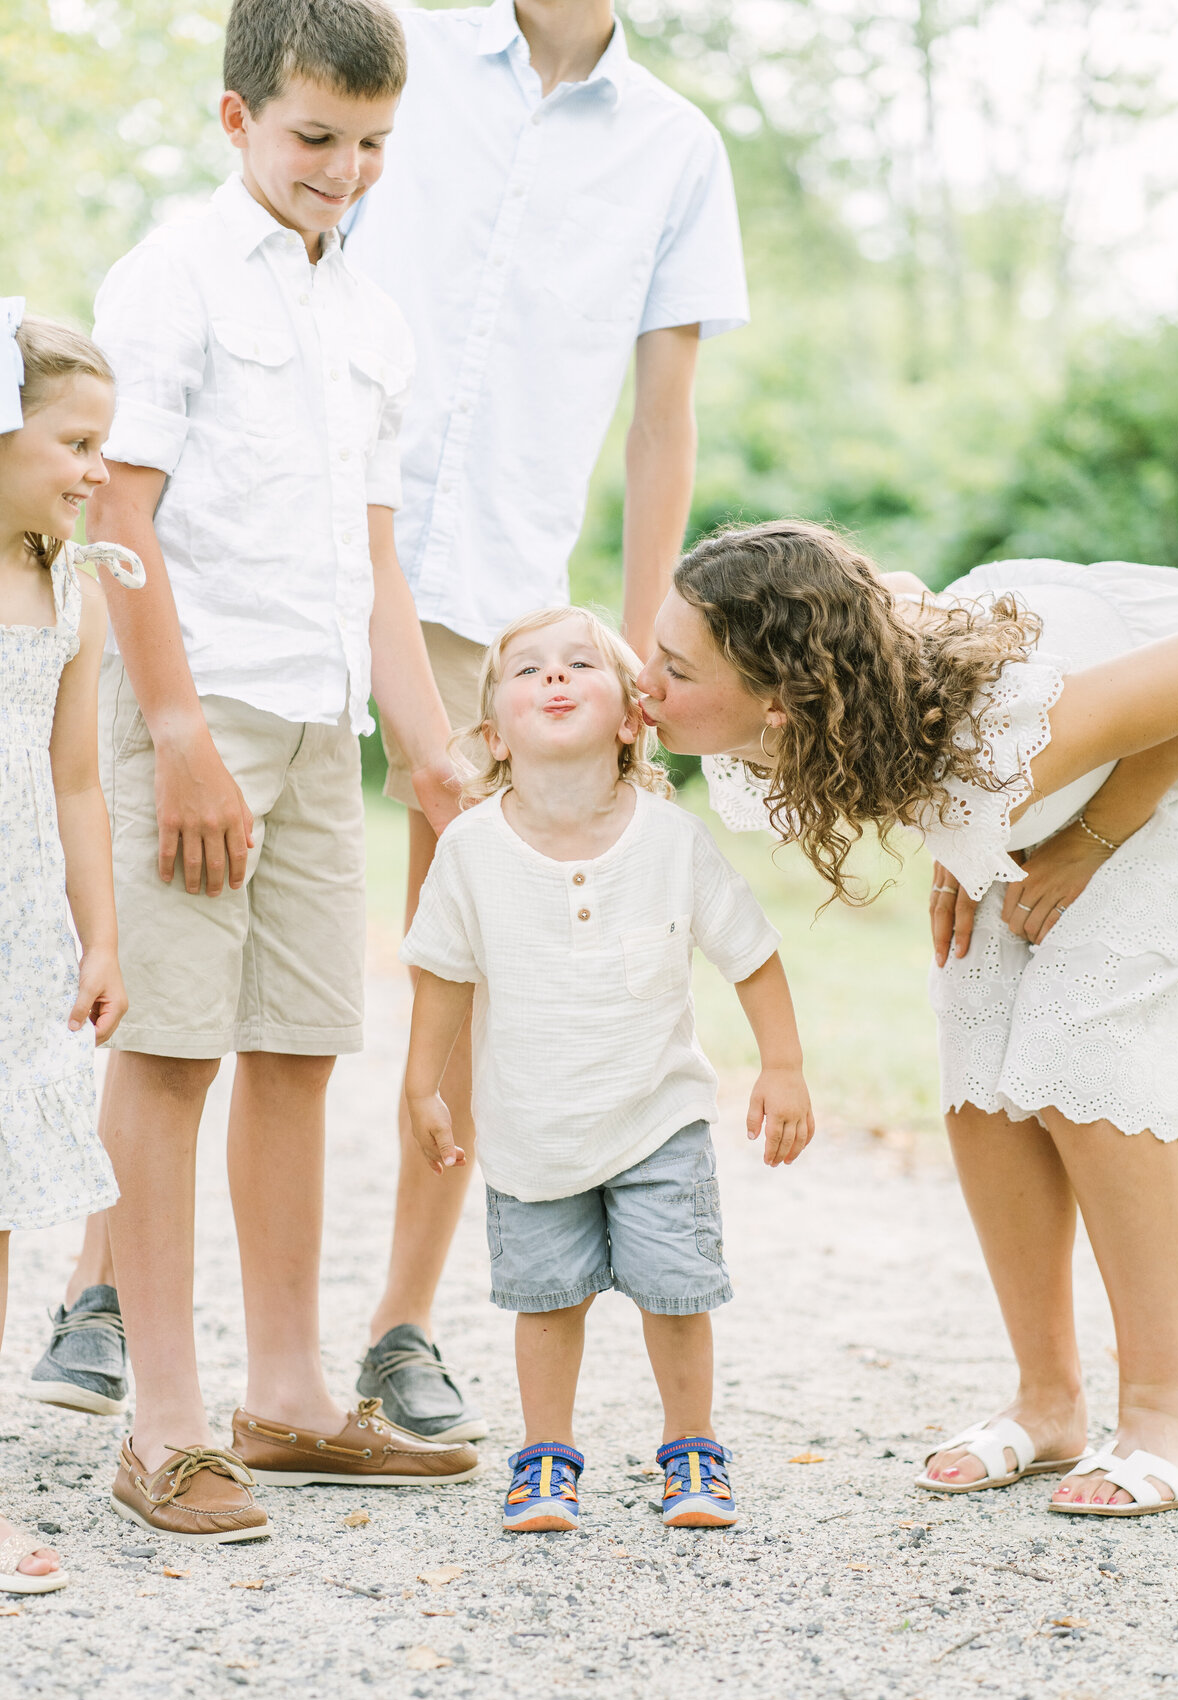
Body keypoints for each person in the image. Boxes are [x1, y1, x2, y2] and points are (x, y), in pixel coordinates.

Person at [63, 0, 477, 1545]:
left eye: (373, 146)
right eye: (316, 138)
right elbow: (126, 522)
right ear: (236, 120)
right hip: (201, 709)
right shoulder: (168, 278)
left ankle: (289, 1394)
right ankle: (161, 1423)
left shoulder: (372, 317)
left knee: (300, 1046)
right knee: (172, 1051)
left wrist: (426, 751)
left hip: (319, 725)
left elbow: (374, 551)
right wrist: (172, 733)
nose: (345, 171)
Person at [342, 0, 749, 1443]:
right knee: (204, 928)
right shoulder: (397, 54)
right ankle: (105, 1287)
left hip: (493, 599)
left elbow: (661, 421)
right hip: (301, 549)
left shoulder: (677, 146)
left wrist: (637, 649)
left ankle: (401, 1324)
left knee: (462, 976)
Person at [638, 518, 1178, 1518]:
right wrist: (971, 823)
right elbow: (933, 724)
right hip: (1057, 763)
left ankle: (1170, 1412)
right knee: (975, 1038)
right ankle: (1047, 1402)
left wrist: (1091, 839)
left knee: (1081, 1040)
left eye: (675, 668)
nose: (646, 683)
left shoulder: (1020, 733)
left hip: (1173, 769)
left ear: (781, 699)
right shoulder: (861, 694)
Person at [401, 605, 813, 1531]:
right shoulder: (470, 850)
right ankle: (546, 1458)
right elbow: (444, 974)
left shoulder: (671, 842)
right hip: (531, 1131)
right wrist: (422, 1084)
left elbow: (750, 952)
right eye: (528, 671)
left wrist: (781, 1066)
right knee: (547, 1301)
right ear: (494, 735)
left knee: (676, 1290)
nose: (553, 678)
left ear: (632, 718)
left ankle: (693, 1451)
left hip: (658, 1120)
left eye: (580, 664)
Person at [0, 305, 143, 1591]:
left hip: (14, 941)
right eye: (76, 440)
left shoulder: (69, 588)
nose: (97, 469)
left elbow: (80, 783)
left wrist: (100, 937)